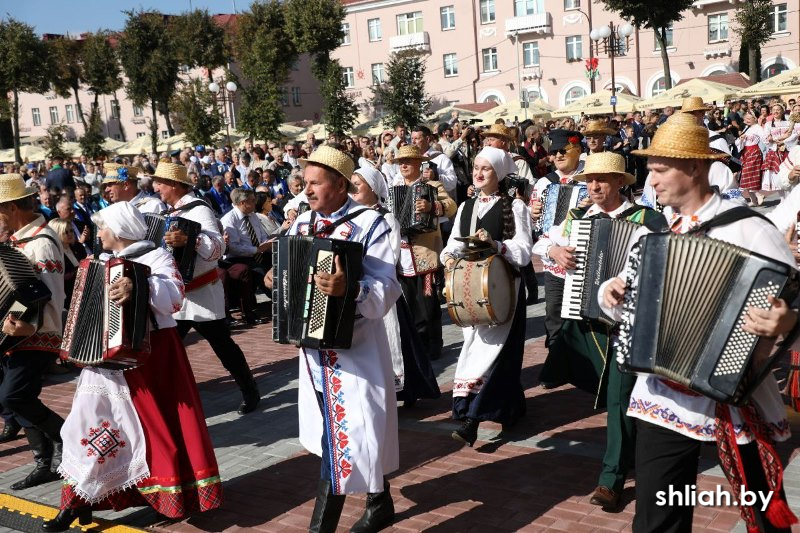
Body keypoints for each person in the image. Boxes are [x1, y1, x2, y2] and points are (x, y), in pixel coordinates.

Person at [600, 113, 799, 533]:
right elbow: (626, 310)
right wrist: (612, 294)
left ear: (694, 166)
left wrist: (786, 320)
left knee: (763, 513)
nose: (649, 181)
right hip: (663, 396)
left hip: (733, 394)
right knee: (657, 519)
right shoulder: (654, 234)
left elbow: (793, 301)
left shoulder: (748, 228)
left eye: (658, 170)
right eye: (649, 170)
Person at [42, 202, 222, 531]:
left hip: (151, 355)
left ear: (118, 230)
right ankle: (76, 499)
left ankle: (167, 498)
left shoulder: (155, 257)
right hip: (101, 360)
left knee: (154, 429)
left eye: (103, 227)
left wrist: (139, 285)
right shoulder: (100, 263)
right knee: (88, 426)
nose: (99, 233)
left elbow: (174, 298)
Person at [265, 146, 401, 533]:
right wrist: (275, 279)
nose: (305, 190)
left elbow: (387, 287)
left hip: (354, 351)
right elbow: (287, 270)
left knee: (343, 439)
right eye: (304, 183)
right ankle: (380, 501)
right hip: (312, 356)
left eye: (314, 183)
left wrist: (352, 289)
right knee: (342, 433)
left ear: (340, 185)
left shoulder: (371, 224)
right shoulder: (300, 224)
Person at [534, 152, 665, 510]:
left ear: (620, 182)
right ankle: (636, 444)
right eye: (589, 180)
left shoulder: (647, 219)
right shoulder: (577, 218)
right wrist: (555, 250)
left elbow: (666, 265)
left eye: (603, 179)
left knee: (618, 397)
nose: (593, 186)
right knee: (611, 391)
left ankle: (611, 479)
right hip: (588, 318)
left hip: (630, 322)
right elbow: (540, 243)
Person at [151, 162, 261, 415]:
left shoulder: (199, 209)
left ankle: (250, 391)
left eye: (161, 183)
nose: (157, 187)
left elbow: (217, 250)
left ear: (176, 185)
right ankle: (169, 400)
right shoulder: (167, 211)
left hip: (201, 293)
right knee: (165, 349)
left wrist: (191, 238)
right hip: (178, 296)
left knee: (223, 347)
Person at [441, 147, 532, 446]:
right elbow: (452, 244)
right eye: (476, 168)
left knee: (495, 354)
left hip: (503, 290)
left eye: (486, 169)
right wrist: (448, 259)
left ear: (499, 174)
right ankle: (510, 406)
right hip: (471, 290)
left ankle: (472, 419)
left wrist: (497, 245)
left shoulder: (515, 207)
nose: (478, 173)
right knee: (475, 348)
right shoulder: (466, 206)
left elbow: (524, 250)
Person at [350, 165, 440, 408]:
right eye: (352, 183)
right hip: (359, 292)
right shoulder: (351, 217)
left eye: (358, 183)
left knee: (394, 341)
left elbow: (390, 255)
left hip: (381, 289)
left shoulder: (386, 217)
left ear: (373, 188)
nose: (353, 188)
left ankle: (403, 390)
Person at [0, 174, 66, 490]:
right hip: (14, 335)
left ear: (13, 208)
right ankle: (44, 461)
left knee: (13, 395)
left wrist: (31, 325)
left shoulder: (41, 243)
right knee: (18, 398)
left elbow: (48, 295)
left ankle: (65, 437)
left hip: (37, 334)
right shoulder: (15, 242)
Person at [393, 145, 457, 363]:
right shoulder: (395, 189)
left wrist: (432, 206)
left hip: (426, 254)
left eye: (408, 161)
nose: (403, 165)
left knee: (428, 303)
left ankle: (434, 343)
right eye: (400, 162)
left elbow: (451, 206)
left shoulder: (431, 185)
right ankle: (417, 344)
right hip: (402, 256)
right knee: (409, 304)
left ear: (418, 164)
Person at [220, 188, 272, 325]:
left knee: (277, 264)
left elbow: (261, 235)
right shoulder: (229, 220)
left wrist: (267, 243)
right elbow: (233, 248)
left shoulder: (253, 215)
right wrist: (256, 249)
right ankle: (251, 311)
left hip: (258, 253)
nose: (255, 204)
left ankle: (283, 301)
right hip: (237, 258)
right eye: (253, 201)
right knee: (261, 273)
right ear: (243, 203)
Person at [102, 163, 166, 215]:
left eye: (110, 184)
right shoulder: (113, 209)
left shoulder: (153, 205)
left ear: (126, 185)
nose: (106, 189)